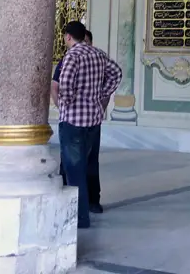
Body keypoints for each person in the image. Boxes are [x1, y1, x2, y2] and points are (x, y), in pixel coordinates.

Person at [56, 21, 121, 228]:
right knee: (88, 165)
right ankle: (89, 206)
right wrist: (102, 94)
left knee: (74, 170)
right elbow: (116, 73)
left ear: (68, 37)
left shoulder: (72, 56)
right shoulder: (98, 54)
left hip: (73, 121)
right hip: (93, 120)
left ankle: (80, 218)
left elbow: (64, 84)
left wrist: (67, 102)